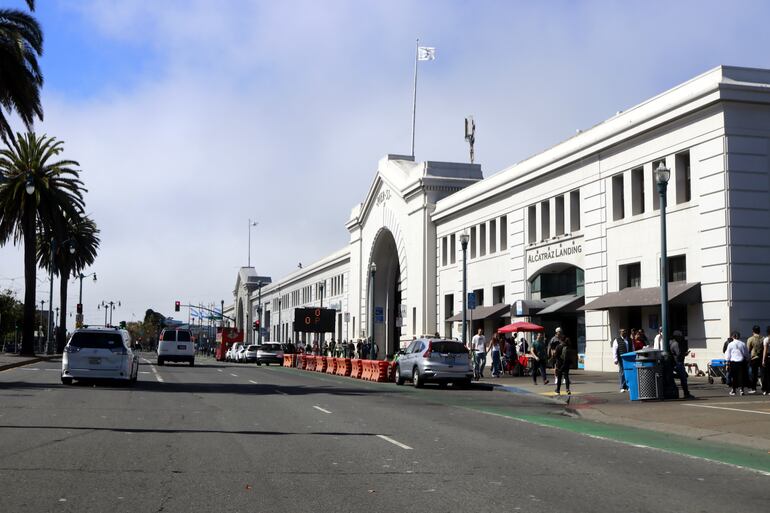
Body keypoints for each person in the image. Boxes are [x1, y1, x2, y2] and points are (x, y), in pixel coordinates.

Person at [669, 330, 694, 399]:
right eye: (680, 337)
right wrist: (685, 354)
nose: (681, 338)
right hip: (678, 363)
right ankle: (686, 393)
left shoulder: (671, 343)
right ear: (677, 337)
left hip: (675, 363)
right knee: (683, 378)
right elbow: (679, 354)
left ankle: (686, 392)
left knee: (682, 377)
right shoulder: (676, 344)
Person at [724, 331, 750, 396]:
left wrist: (727, 363)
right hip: (741, 362)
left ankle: (734, 390)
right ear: (739, 336)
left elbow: (728, 355)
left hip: (733, 363)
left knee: (734, 377)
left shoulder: (730, 344)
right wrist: (747, 359)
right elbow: (746, 354)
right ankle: (741, 390)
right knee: (741, 376)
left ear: (733, 336)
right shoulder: (743, 344)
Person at [746, 325, 763, 394]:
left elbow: (748, 350)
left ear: (753, 331)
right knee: (763, 374)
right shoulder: (763, 338)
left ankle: (753, 388)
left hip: (754, 358)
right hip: (762, 358)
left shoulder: (750, 339)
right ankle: (765, 388)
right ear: (759, 331)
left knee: (754, 374)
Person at [762, 326, 770, 396]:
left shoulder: (766, 339)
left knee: (766, 374)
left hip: (768, 357)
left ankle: (765, 390)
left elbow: (765, 350)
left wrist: (763, 360)